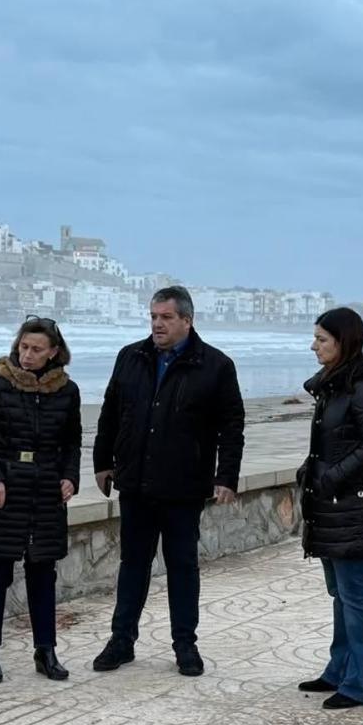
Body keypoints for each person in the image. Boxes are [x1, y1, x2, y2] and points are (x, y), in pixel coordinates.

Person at [92, 286, 245, 677]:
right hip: (136, 483)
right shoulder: (131, 357)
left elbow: (232, 426)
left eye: (166, 317)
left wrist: (225, 476)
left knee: (182, 567)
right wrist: (102, 461)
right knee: (133, 565)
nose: (157, 324)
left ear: (187, 320)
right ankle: (121, 640)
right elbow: (111, 412)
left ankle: (185, 645)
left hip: (184, 486)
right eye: (153, 317)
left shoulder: (215, 365)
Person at [0, 316, 81, 684]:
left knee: (43, 572)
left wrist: (69, 477)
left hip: (46, 489)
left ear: (54, 352)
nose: (27, 355)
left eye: (36, 350)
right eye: (23, 348)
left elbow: (72, 441)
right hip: (5, 487)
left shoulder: (67, 391)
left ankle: (46, 650)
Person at [296, 308, 363, 709]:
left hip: (349, 507)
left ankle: (359, 683)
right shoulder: (333, 385)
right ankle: (339, 669)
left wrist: (331, 476)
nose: (314, 346)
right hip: (327, 505)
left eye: (322, 339)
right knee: (340, 593)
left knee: (356, 596)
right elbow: (332, 441)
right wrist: (311, 470)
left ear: (344, 341)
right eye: (315, 338)